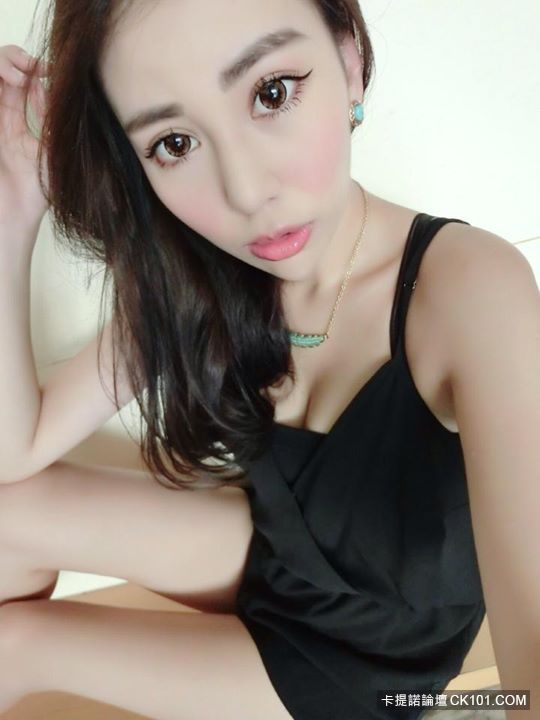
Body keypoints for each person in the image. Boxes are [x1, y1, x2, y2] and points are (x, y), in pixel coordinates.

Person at [0, 0, 538, 718]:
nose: (247, 192)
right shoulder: (205, 272)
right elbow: (16, 450)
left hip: (373, 661)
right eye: (174, 142)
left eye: (272, 92)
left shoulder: (472, 291)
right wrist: (13, 214)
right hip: (277, 554)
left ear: (349, 61)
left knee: (12, 644)